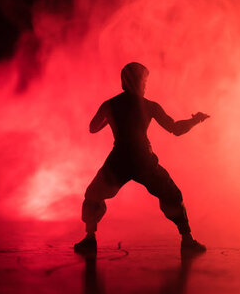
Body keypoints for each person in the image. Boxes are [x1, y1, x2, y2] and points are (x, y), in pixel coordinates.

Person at [74, 62, 209, 254]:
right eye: (144, 81)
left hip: (120, 159)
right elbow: (175, 129)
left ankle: (89, 238)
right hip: (143, 160)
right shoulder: (149, 106)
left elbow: (93, 128)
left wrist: (110, 118)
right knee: (172, 194)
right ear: (135, 82)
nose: (146, 86)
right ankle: (187, 239)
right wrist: (196, 120)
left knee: (93, 195)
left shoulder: (111, 105)